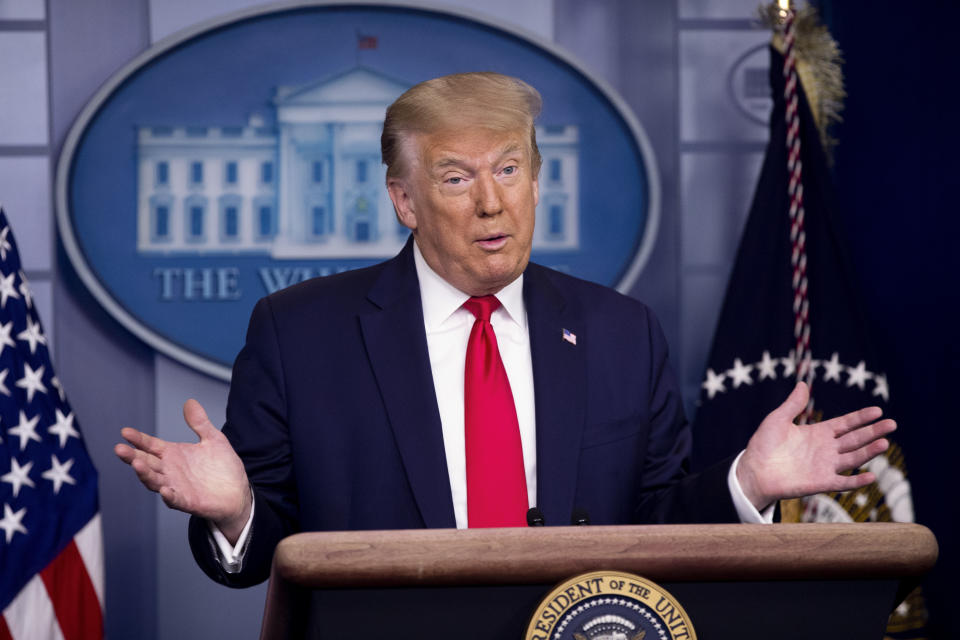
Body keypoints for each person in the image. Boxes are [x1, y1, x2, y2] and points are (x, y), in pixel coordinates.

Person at [115, 72, 894, 589]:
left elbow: (658, 524)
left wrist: (747, 484)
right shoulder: (300, 333)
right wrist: (234, 511)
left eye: (511, 169)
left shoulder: (620, 332)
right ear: (404, 200)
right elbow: (259, 553)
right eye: (457, 178)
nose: (493, 203)